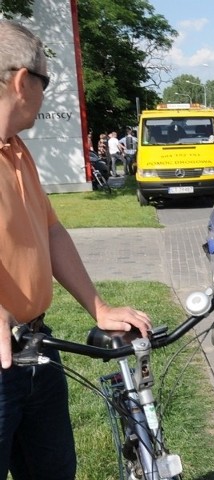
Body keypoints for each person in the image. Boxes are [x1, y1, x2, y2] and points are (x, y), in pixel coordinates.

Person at [0, 20, 152, 478]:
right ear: (23, 80)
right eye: (46, 82)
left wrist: (98, 307)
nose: (45, 96)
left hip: (37, 349)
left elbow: (52, 232)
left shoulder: (16, 149)